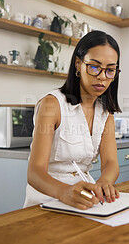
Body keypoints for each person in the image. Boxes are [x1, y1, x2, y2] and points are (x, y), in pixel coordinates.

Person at [23, 30, 121, 210]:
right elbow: (34, 173)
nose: (102, 76)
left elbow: (111, 163)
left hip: (86, 197)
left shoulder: (105, 111)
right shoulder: (52, 104)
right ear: (78, 64)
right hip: (46, 199)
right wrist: (64, 192)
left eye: (110, 70)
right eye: (94, 66)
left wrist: (105, 181)